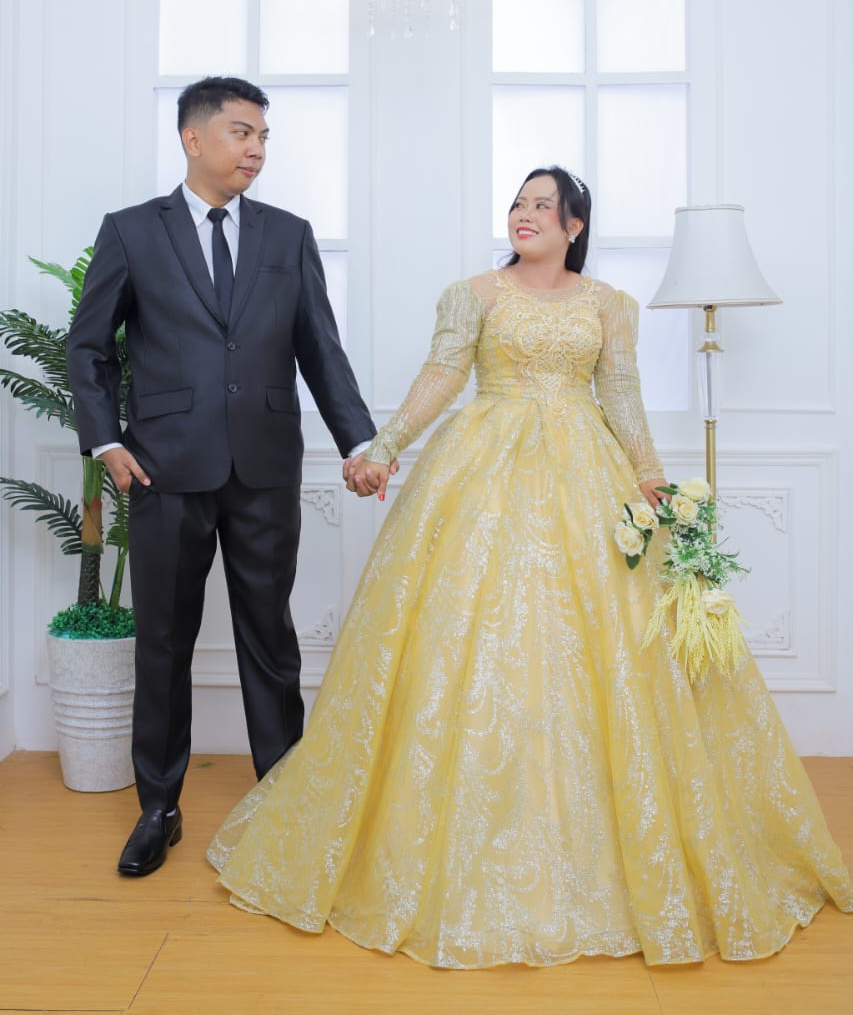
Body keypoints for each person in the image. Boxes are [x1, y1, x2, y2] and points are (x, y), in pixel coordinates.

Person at [207, 166, 853, 967]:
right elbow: (441, 377)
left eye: (543, 206)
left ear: (574, 226)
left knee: (606, 648)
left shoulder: (609, 305)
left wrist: (651, 482)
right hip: (482, 471)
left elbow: (622, 397)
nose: (524, 215)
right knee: (470, 645)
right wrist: (382, 447)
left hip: (587, 474)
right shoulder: (472, 294)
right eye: (518, 203)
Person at [67, 75, 378, 877]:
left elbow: (320, 348)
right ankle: (158, 809)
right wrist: (105, 445)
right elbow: (89, 348)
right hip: (162, 468)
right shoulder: (132, 231)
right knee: (163, 642)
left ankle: (285, 802)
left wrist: (358, 442)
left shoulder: (287, 234)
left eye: (263, 137)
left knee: (269, 638)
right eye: (242, 133)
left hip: (265, 466)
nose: (256, 149)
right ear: (193, 137)